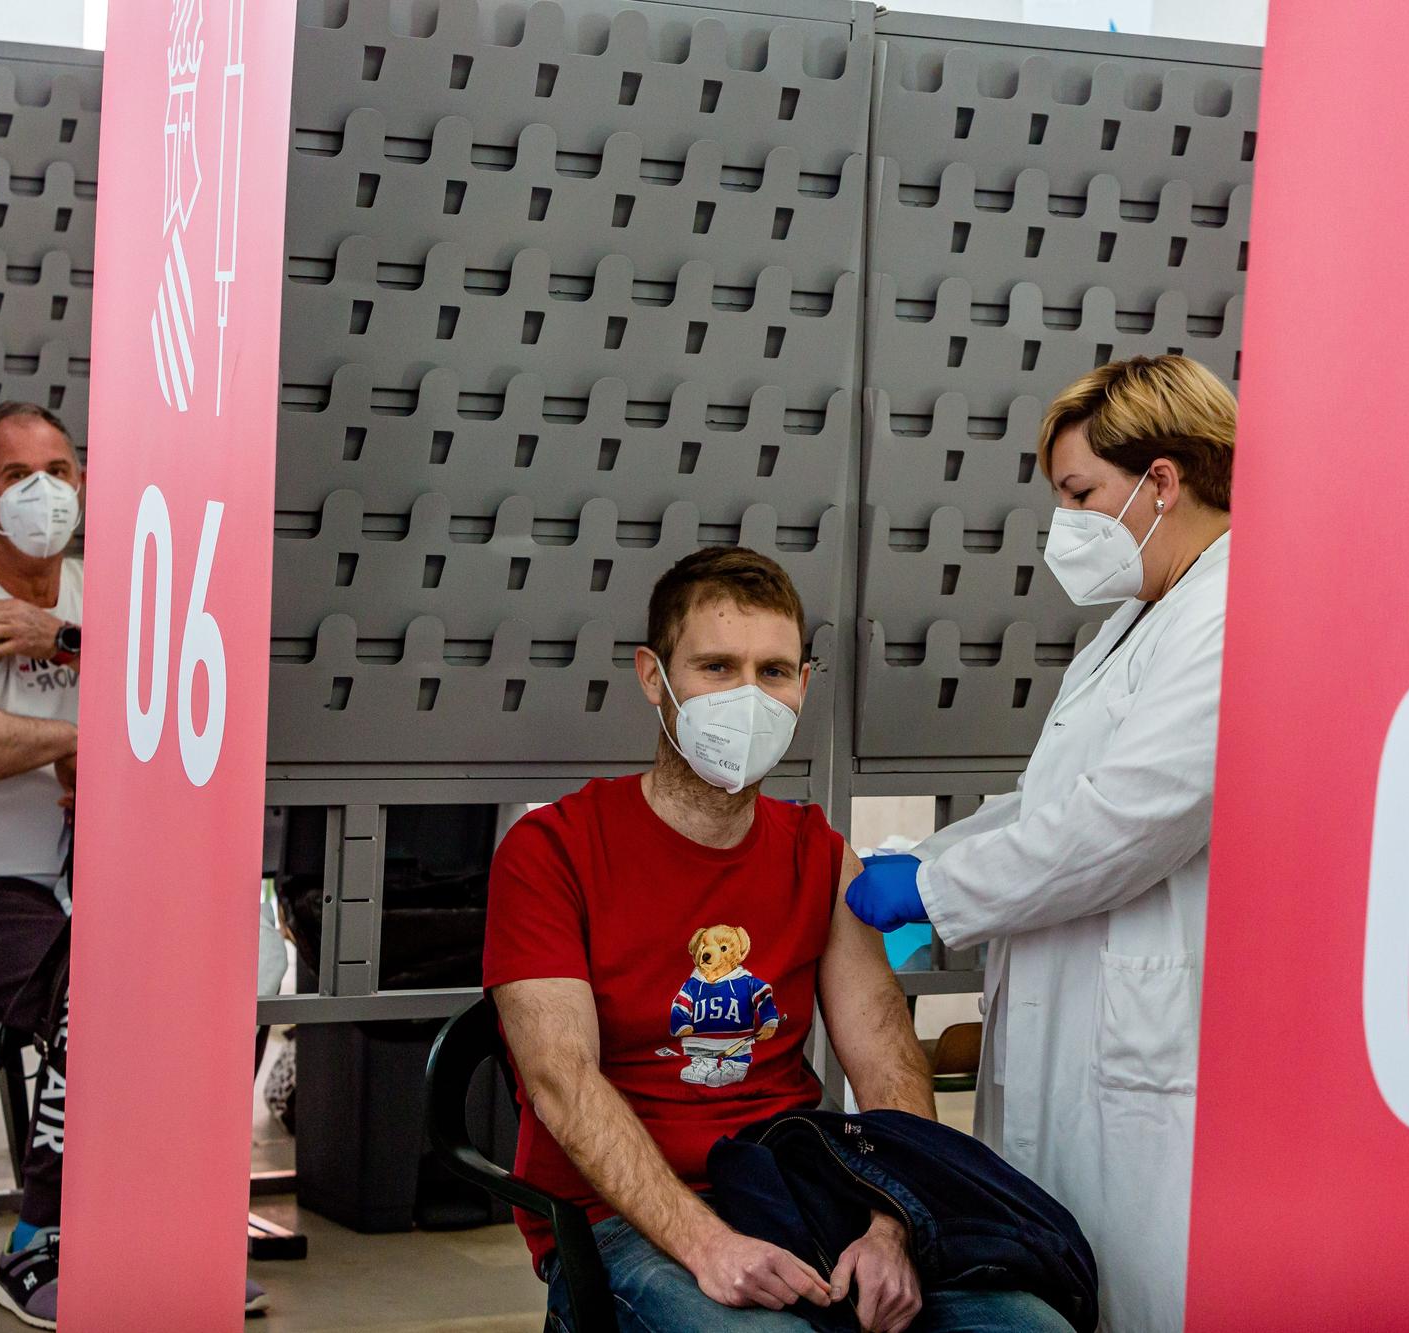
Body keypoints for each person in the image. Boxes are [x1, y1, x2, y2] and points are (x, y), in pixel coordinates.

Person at [484, 548, 1071, 1333]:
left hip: (797, 1185)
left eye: (775, 670)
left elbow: (888, 1059)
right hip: (621, 1222)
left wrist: (892, 1224)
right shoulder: (551, 850)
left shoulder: (819, 855)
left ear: (805, 681)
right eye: (718, 667)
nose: (749, 698)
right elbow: (562, 1083)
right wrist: (707, 1243)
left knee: (1032, 1328)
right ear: (654, 678)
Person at [844, 355, 1235, 1330]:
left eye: (1078, 494)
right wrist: (917, 866)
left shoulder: (1232, 615)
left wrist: (936, 895)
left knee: (1146, 1293)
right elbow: (1046, 802)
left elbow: (1126, 820)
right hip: (1076, 1019)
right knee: (1062, 1273)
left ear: (1160, 481)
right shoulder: (1139, 617)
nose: (1064, 525)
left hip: (1151, 1045)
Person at [0, 401, 265, 1326]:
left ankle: (164, 1225)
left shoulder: (121, 599)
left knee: (230, 968)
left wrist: (64, 642)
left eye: (60, 467)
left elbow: (188, 699)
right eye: (17, 476)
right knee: (94, 983)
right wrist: (76, 739)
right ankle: (43, 1237)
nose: (44, 490)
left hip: (97, 882)